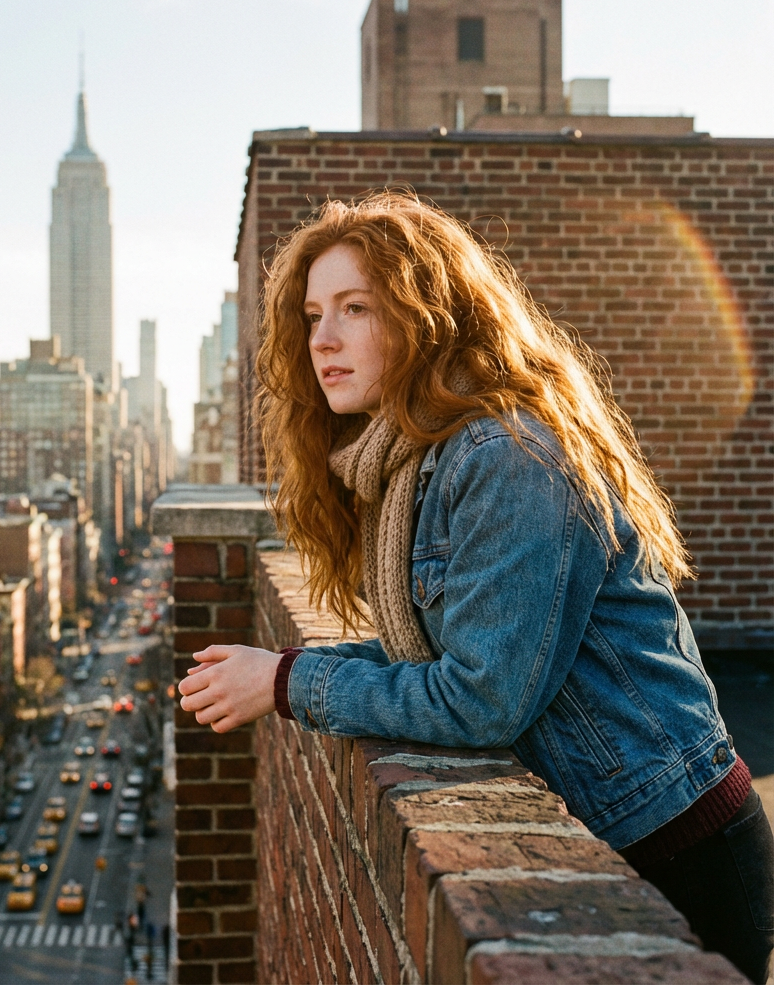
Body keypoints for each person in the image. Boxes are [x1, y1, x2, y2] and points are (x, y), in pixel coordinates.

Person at [178, 192, 773, 983]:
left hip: (675, 848)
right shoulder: (409, 461)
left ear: (429, 313)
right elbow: (434, 648)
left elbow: (482, 695)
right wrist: (278, 667)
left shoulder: (505, 455)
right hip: (611, 838)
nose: (322, 339)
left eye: (355, 308)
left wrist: (288, 681)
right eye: (314, 314)